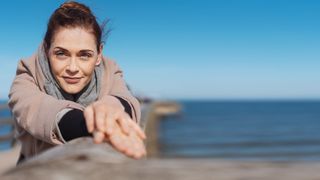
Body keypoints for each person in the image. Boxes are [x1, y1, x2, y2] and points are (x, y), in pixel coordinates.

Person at [8, 1, 146, 164]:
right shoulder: (28, 74)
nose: (72, 68)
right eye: (61, 54)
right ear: (47, 50)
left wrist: (110, 107)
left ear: (99, 54)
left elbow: (123, 97)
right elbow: (38, 110)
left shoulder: (109, 70)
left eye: (84, 55)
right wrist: (93, 125)